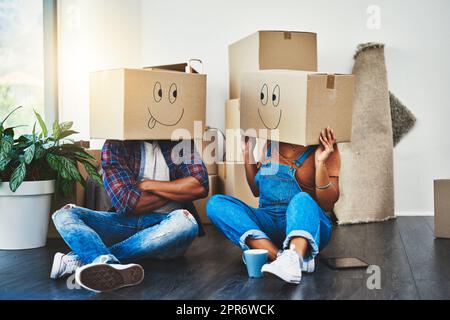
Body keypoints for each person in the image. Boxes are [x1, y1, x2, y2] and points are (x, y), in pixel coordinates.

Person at [50, 140, 209, 293]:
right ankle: (106, 262)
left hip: (168, 226)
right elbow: (129, 203)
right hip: (125, 223)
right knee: (64, 214)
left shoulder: (180, 142)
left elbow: (200, 187)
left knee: (185, 223)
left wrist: (148, 185)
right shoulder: (115, 146)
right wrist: (179, 190)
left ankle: (92, 259)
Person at [207, 127, 340, 284]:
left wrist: (320, 163)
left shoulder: (324, 144)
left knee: (301, 199)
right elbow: (256, 190)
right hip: (269, 221)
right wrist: (247, 152)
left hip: (307, 224)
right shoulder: (271, 143)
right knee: (215, 204)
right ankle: (282, 258)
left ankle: (295, 253)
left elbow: (327, 203)